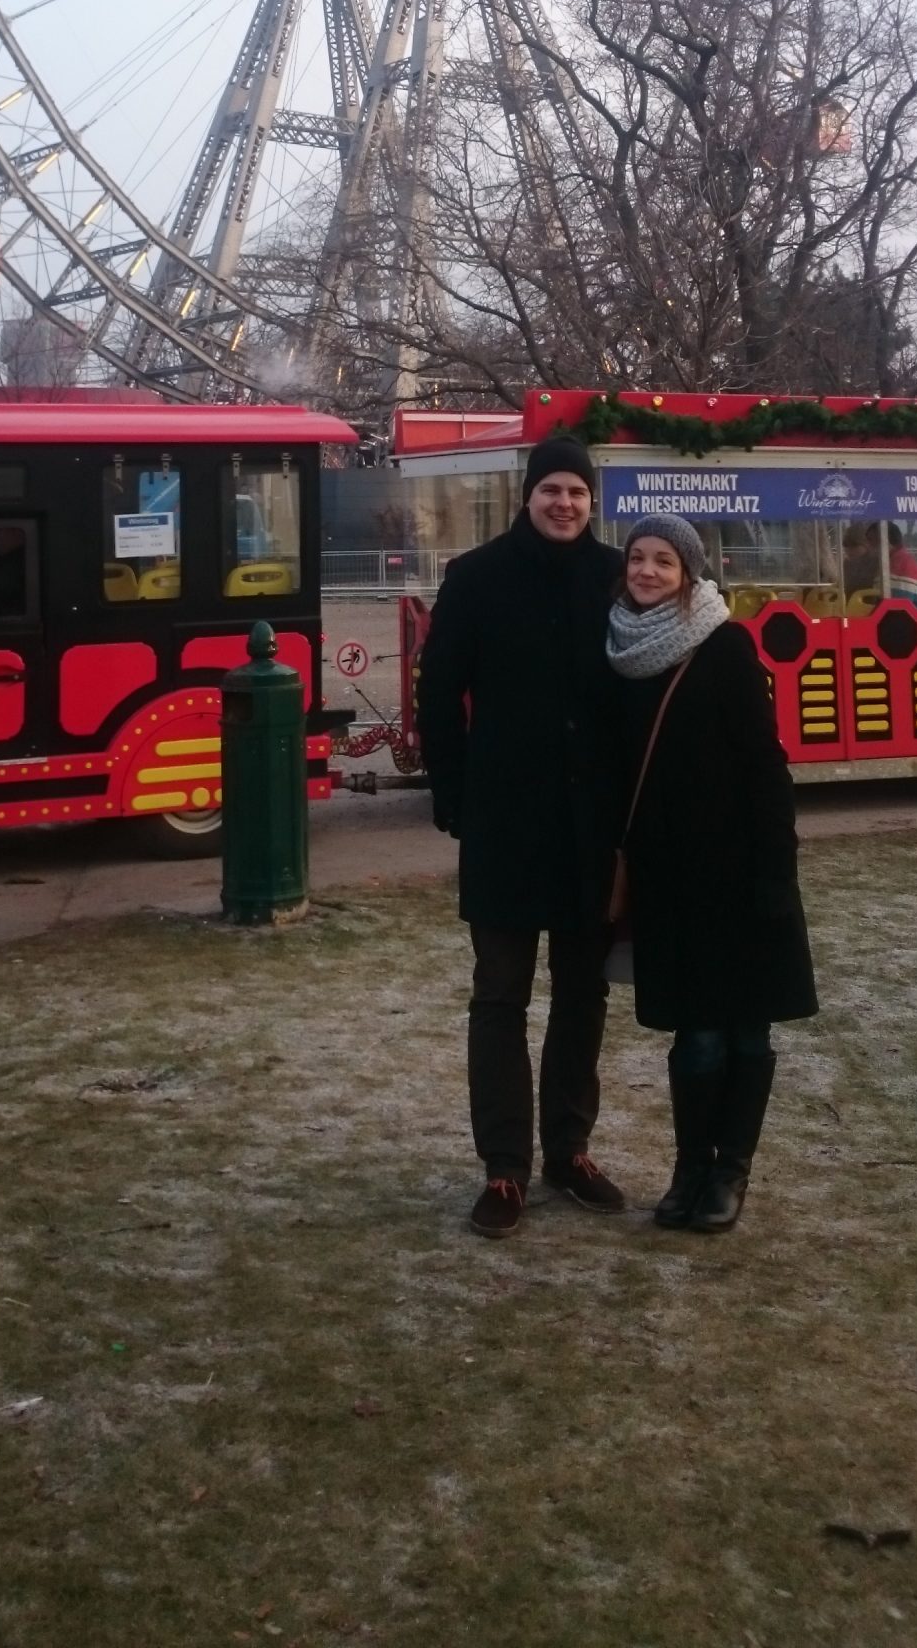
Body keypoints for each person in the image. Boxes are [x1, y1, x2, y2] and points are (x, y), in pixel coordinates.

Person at [418, 435, 626, 1239]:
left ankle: (568, 1151)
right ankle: (504, 1167)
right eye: (552, 491)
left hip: (591, 829)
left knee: (583, 996)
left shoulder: (618, 578)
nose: (564, 503)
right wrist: (456, 797)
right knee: (500, 997)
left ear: (590, 499)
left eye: (577, 491)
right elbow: (440, 694)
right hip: (506, 821)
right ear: (528, 496)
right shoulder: (474, 579)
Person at [606, 514, 818, 1233]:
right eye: (638, 557)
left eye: (664, 560)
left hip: (737, 870)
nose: (646, 571)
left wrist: (774, 870)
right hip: (667, 878)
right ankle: (690, 1168)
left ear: (690, 573)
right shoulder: (617, 649)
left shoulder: (724, 644)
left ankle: (732, 1172)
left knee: (747, 1033)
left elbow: (765, 764)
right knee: (694, 1036)